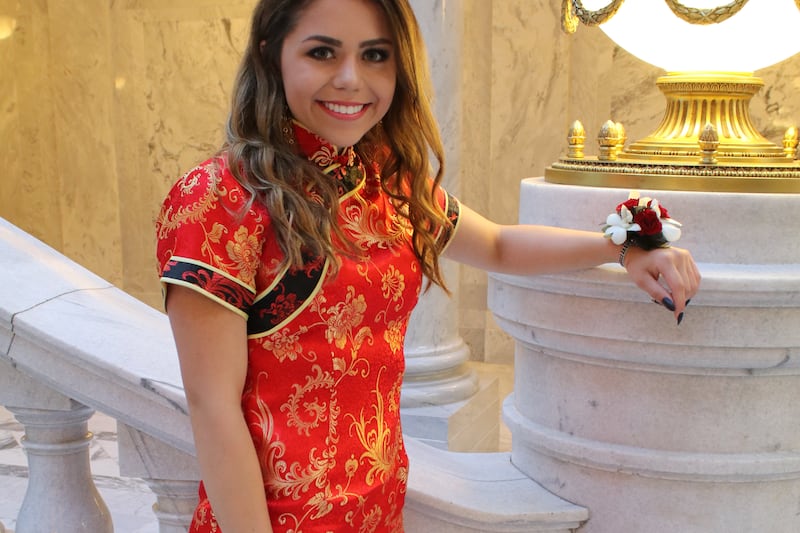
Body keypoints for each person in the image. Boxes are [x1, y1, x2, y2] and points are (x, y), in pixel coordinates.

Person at [155, 0, 701, 531]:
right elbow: (213, 407)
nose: (351, 79)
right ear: (272, 53)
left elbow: (497, 246)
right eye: (322, 53)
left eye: (375, 55)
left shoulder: (383, 176)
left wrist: (622, 245)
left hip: (380, 505)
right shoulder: (218, 200)